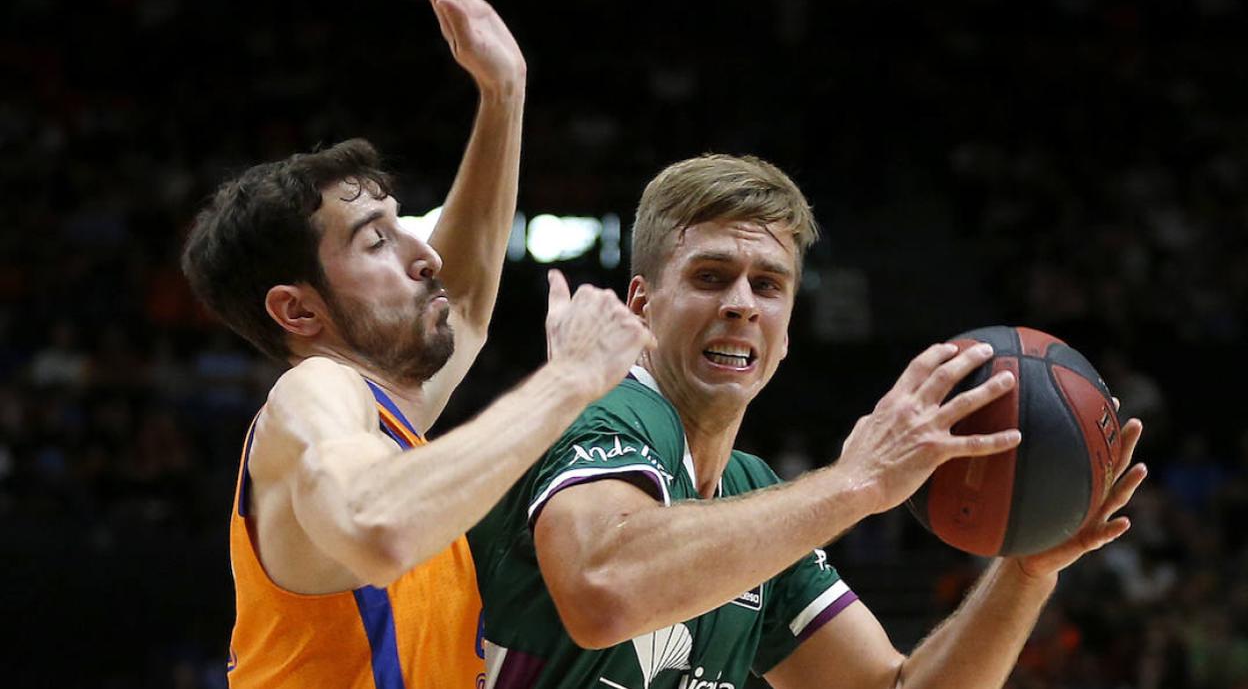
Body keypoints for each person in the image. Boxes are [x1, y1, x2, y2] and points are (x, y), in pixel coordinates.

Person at [469, 154, 1147, 689]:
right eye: (710, 276)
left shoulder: (753, 494)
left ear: (788, 328)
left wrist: (1025, 572)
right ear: (641, 304)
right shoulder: (598, 407)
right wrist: (859, 482)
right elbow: (602, 592)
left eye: (767, 285)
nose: (741, 304)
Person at [180, 0, 651, 688]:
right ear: (297, 311)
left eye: (407, 227)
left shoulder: (393, 425)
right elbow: (376, 524)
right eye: (376, 242)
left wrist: (504, 95)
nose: (421, 253)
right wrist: (567, 382)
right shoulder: (314, 393)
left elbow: (460, 295)